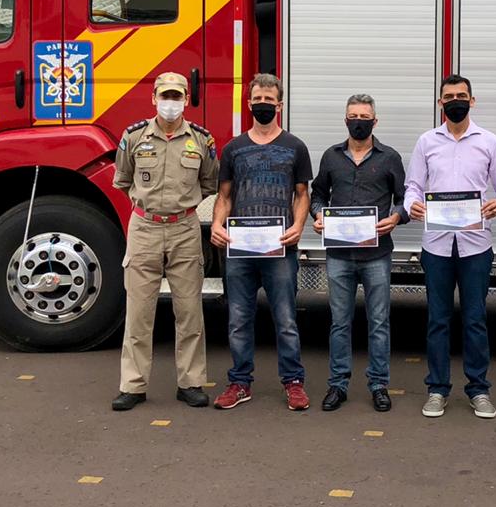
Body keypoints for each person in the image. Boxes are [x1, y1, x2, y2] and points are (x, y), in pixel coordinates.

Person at [404, 74, 496, 419]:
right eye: (449, 96)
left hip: (476, 246)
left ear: (472, 100)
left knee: (475, 319)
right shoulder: (426, 142)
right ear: (440, 103)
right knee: (437, 320)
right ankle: (437, 389)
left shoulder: (489, 142)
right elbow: (412, 187)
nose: (456, 101)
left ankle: (478, 389)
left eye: (462, 96)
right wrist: (412, 205)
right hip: (436, 246)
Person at [111, 71, 219, 412]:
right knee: (138, 313)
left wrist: (179, 207)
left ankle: (190, 383)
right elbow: (123, 180)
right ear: (154, 98)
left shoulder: (202, 140)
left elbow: (209, 183)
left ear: (186, 100)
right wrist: (149, 208)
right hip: (144, 228)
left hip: (184, 229)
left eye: (176, 96)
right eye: (165, 96)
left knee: (189, 312)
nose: (170, 102)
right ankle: (133, 385)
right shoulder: (133, 136)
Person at [210, 73, 313, 412]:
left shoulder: (295, 147)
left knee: (286, 320)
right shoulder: (233, 148)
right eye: (258, 99)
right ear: (249, 103)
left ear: (279, 105)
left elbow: (302, 194)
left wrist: (298, 226)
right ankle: (240, 382)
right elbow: (225, 196)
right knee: (239, 320)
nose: (263, 105)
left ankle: (293, 382)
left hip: (280, 248)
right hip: (240, 250)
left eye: (269, 100)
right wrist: (217, 224)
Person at [310, 93, 409, 413]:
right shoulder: (330, 157)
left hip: (377, 254)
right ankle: (338, 385)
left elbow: (404, 198)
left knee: (379, 322)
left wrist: (396, 217)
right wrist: (318, 214)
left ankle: (379, 385)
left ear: (375, 121)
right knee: (340, 323)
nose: (359, 122)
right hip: (339, 255)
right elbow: (317, 195)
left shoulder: (389, 157)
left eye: (365, 117)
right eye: (353, 116)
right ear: (345, 120)